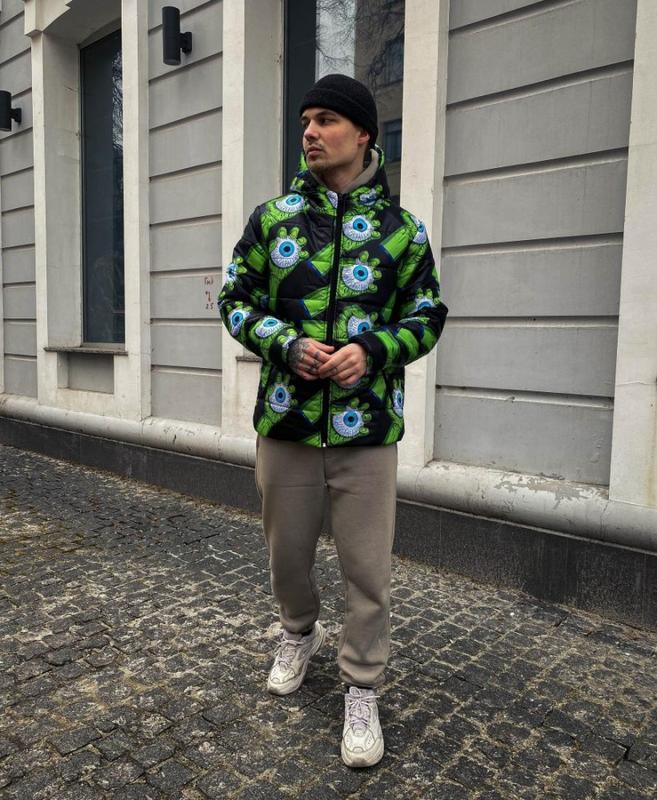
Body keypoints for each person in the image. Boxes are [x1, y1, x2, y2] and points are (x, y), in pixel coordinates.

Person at [218, 73, 448, 768]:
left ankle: (362, 685)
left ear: (363, 133)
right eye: (305, 122)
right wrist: (283, 343)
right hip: (287, 425)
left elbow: (427, 314)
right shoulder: (273, 220)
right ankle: (298, 631)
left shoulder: (402, 231)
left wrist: (373, 351)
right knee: (286, 556)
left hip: (366, 431)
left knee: (367, 569)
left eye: (325, 120)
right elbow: (234, 298)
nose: (310, 133)